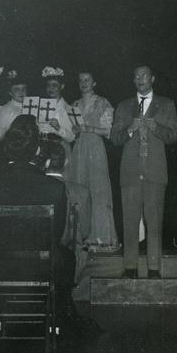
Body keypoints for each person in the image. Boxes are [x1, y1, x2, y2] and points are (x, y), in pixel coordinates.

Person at [0, 115, 77, 320]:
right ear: (38, 150)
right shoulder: (54, 188)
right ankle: (56, 317)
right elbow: (57, 235)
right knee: (68, 256)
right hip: (40, 269)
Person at [111, 65, 177, 279]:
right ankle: (130, 267)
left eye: (144, 75)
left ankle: (154, 269)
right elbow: (114, 138)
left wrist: (155, 127)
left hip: (155, 173)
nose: (139, 78)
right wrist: (130, 128)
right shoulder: (123, 106)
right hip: (130, 172)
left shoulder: (166, 104)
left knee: (155, 222)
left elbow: (174, 135)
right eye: (136, 76)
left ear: (153, 78)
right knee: (129, 222)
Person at [69, 71, 119, 252]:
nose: (84, 83)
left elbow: (109, 131)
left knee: (98, 190)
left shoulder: (102, 102)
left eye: (87, 80)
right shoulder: (74, 105)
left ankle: (101, 239)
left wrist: (87, 128)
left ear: (94, 82)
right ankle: (80, 238)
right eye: (80, 80)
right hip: (79, 149)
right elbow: (70, 131)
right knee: (79, 189)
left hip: (95, 148)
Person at [44, 141, 92, 283]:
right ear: (65, 162)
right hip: (68, 261)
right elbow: (85, 232)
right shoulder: (81, 192)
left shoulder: (33, 190)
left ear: (45, 162)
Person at [0, 71, 26, 142]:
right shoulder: (6, 110)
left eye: (23, 89)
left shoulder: (33, 106)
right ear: (10, 93)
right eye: (16, 89)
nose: (21, 92)